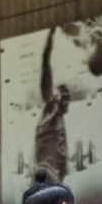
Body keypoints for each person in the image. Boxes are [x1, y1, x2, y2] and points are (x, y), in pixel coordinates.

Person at [33, 27, 70, 182]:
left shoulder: (60, 118)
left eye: (69, 97)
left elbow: (61, 152)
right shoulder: (50, 105)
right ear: (56, 95)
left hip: (54, 174)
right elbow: (45, 64)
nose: (67, 99)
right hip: (45, 173)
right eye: (64, 95)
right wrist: (50, 38)